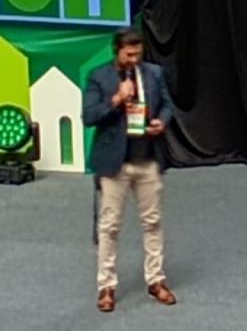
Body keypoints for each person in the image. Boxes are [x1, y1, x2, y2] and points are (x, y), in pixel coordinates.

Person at [83, 27, 178, 313]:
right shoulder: (99, 77)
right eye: (129, 54)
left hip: (147, 159)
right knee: (110, 226)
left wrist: (162, 122)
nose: (134, 59)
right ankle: (106, 286)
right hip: (116, 163)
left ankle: (156, 279)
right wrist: (116, 99)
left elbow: (168, 105)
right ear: (117, 51)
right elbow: (89, 116)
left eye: (138, 53)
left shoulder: (154, 73)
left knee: (152, 222)